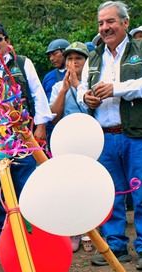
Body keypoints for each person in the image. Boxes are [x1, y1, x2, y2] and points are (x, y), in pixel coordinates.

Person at [78, 1, 142, 270]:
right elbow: (82, 89)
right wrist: (87, 97)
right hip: (104, 137)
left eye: (111, 21)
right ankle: (116, 246)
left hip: (137, 134)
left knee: (141, 193)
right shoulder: (93, 57)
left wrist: (117, 88)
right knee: (111, 194)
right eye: (101, 23)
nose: (105, 28)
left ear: (125, 23)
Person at [0, 21, 53, 262]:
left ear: (7, 40)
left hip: (23, 137)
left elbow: (37, 93)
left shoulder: (22, 63)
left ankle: (32, 235)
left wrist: (42, 125)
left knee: (27, 186)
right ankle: (0, 240)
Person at [48, 42, 91, 253]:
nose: (73, 64)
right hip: (67, 142)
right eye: (70, 60)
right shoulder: (57, 86)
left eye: (78, 59)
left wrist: (78, 86)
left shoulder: (93, 83)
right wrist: (65, 90)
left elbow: (93, 110)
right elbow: (54, 116)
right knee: (70, 187)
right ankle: (73, 229)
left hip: (90, 142)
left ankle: (91, 230)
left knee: (89, 185)